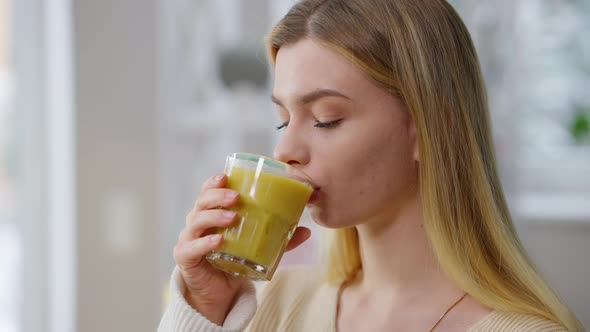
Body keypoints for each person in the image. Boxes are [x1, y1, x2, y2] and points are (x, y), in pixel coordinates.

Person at [158, 0, 584, 331]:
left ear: (430, 128)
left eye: (326, 118)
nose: (285, 148)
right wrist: (203, 310)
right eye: (283, 119)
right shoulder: (264, 307)